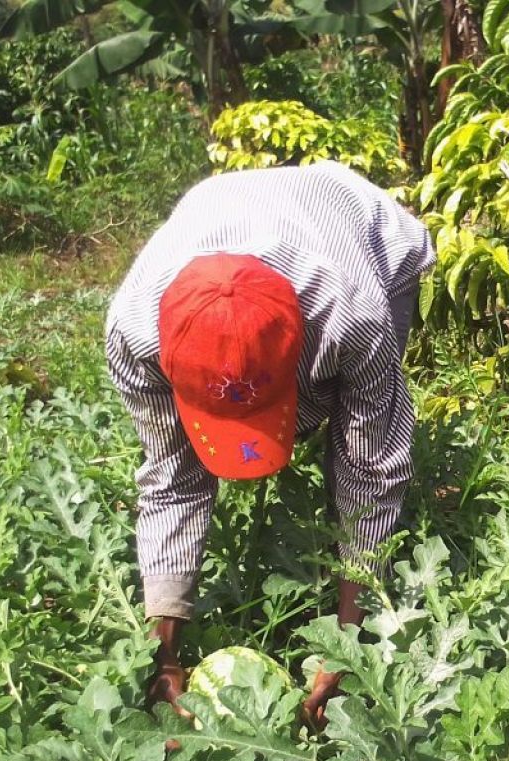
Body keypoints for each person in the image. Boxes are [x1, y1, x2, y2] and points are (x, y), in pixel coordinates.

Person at [106, 161, 435, 723]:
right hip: (220, 211)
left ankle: (352, 587)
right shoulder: (134, 336)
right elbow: (171, 482)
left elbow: (373, 468)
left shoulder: (352, 313)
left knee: (359, 447)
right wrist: (162, 654)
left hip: (363, 229)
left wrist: (346, 647)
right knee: (184, 468)